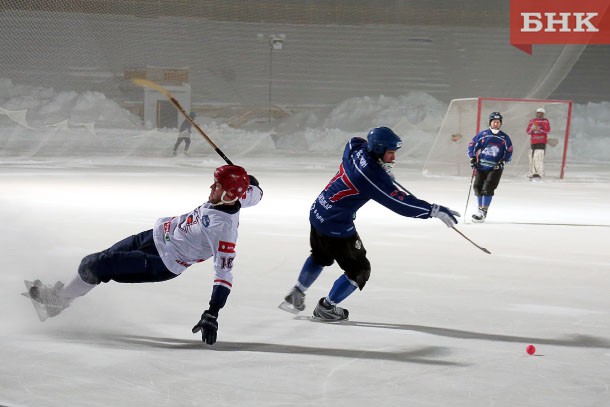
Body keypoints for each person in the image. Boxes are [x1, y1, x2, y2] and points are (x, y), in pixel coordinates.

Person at [24, 165, 263, 345]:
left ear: (230, 194)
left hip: (162, 262)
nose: (211, 188)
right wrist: (243, 176)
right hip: (156, 236)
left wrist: (213, 311)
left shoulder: (224, 229)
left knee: (94, 265)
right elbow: (256, 190)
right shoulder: (238, 194)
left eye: (218, 186)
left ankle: (58, 302)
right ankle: (60, 299)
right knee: (100, 258)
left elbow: (224, 274)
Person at [279, 127, 460, 321]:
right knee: (359, 270)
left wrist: (381, 170)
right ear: (379, 150)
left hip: (318, 211)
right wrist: (432, 210)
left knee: (320, 256)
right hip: (336, 225)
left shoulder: (355, 149)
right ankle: (327, 308)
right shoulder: (370, 176)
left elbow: (354, 140)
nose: (393, 158)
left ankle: (297, 293)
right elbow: (400, 204)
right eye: (390, 153)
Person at [467, 112, 513, 223]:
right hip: (481, 166)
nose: (496, 124)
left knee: (488, 188)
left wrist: (503, 162)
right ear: (490, 122)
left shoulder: (504, 138)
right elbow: (472, 145)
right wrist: (472, 158)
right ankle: (479, 209)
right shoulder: (483, 135)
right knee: (477, 187)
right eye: (494, 121)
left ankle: (484, 211)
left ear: (500, 123)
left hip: (495, 168)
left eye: (498, 122)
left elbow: (509, 152)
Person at [525, 107, 551, 180]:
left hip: (542, 141)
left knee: (538, 157)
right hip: (533, 142)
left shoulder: (545, 121)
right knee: (532, 157)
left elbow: (548, 131)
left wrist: (540, 129)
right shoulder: (532, 121)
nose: (539, 114)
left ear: (543, 114)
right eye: (538, 113)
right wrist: (532, 129)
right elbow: (528, 132)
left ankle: (539, 173)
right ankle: (532, 172)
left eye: (541, 113)